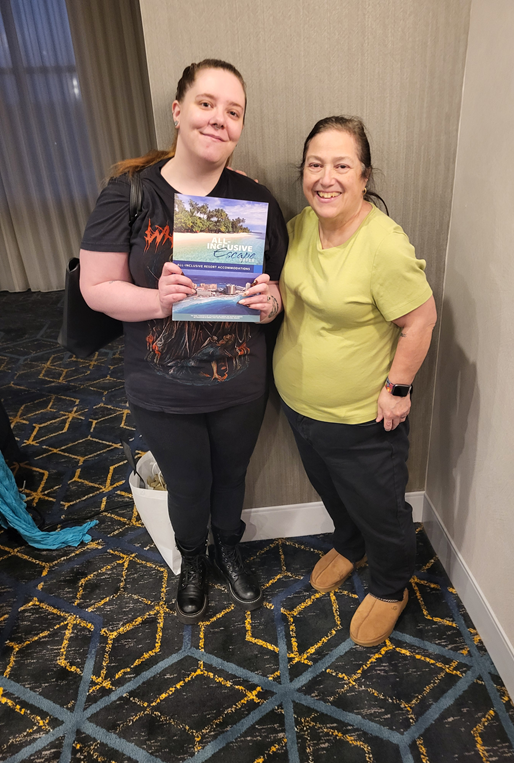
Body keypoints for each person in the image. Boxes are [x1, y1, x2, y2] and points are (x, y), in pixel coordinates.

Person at [80, 60, 287, 624]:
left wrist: (272, 301)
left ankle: (228, 549)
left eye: (233, 111)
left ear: (240, 126)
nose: (219, 119)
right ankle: (192, 558)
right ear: (178, 111)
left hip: (240, 380)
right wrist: (159, 301)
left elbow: (280, 285)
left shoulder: (253, 200)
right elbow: (95, 288)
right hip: (161, 386)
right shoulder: (129, 193)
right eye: (206, 104)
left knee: (232, 478)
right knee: (189, 484)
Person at [273, 116, 437, 647]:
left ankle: (390, 587)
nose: (327, 178)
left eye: (342, 166)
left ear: (364, 177)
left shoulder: (383, 244)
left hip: (361, 417)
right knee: (332, 489)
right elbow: (288, 294)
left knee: (380, 508)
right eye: (315, 165)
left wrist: (398, 390)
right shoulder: (300, 226)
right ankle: (350, 544)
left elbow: (421, 321)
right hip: (299, 405)